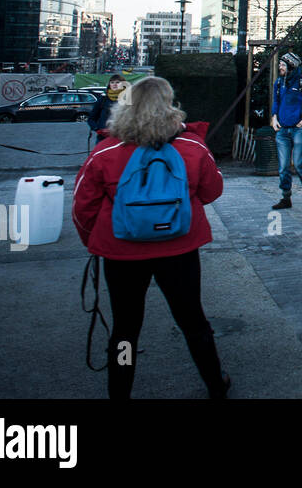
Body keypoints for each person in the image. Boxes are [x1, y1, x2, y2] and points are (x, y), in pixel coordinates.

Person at [71, 77, 230, 399]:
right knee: (193, 321)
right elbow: (212, 191)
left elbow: (82, 206)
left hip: (121, 252)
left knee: (125, 329)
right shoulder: (191, 147)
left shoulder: (106, 151)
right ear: (169, 105)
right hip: (179, 249)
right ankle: (215, 383)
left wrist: (95, 241)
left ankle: (120, 391)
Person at [270, 51, 302, 210]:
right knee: (283, 167)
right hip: (282, 130)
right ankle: (286, 197)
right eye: (280, 64)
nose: (280, 67)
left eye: (283, 65)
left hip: (299, 129)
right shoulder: (279, 83)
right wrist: (274, 117)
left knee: (300, 164)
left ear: (291, 66)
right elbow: (276, 101)